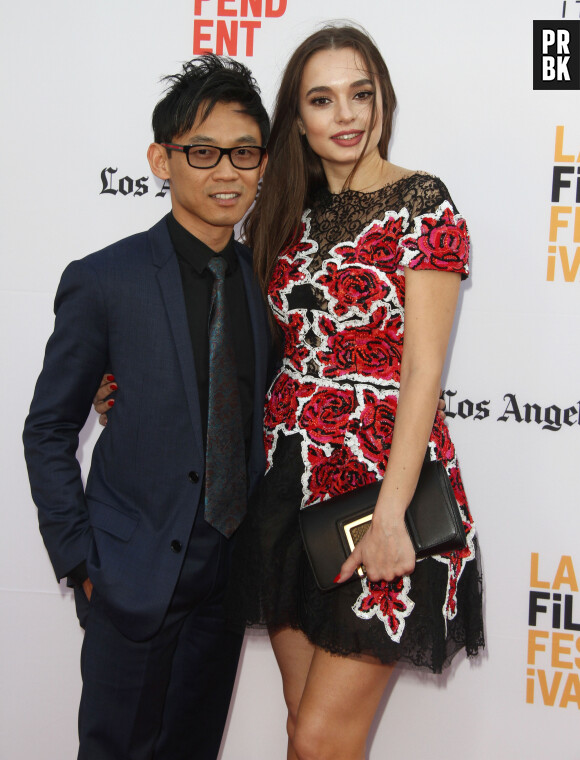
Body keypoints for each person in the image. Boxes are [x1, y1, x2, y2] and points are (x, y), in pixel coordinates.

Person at [225, 24, 485, 760]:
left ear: (382, 100)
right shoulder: (283, 216)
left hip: (380, 496)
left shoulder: (420, 202)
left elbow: (422, 374)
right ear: (297, 118)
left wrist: (393, 517)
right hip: (285, 495)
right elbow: (252, 351)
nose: (345, 114)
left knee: (318, 738)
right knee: (305, 730)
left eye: (359, 94)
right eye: (322, 98)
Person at [22, 56, 271, 760]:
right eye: (203, 152)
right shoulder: (105, 279)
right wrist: (82, 560)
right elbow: (47, 429)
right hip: (131, 579)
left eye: (244, 153)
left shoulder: (265, 283)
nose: (226, 172)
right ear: (162, 159)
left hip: (224, 584)